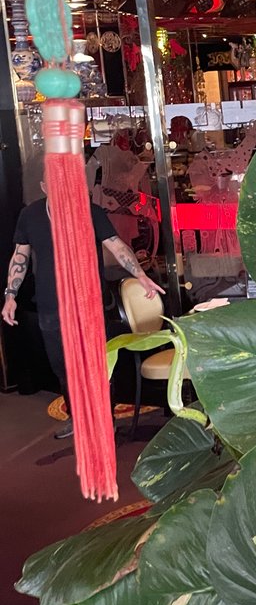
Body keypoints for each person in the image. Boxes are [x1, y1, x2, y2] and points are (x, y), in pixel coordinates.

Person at [2, 183, 164, 439]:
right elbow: (19, 256)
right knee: (62, 367)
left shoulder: (91, 212)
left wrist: (140, 275)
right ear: (45, 185)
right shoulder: (30, 215)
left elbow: (117, 246)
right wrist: (10, 295)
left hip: (88, 304)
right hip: (50, 305)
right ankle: (77, 418)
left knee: (96, 365)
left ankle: (104, 420)